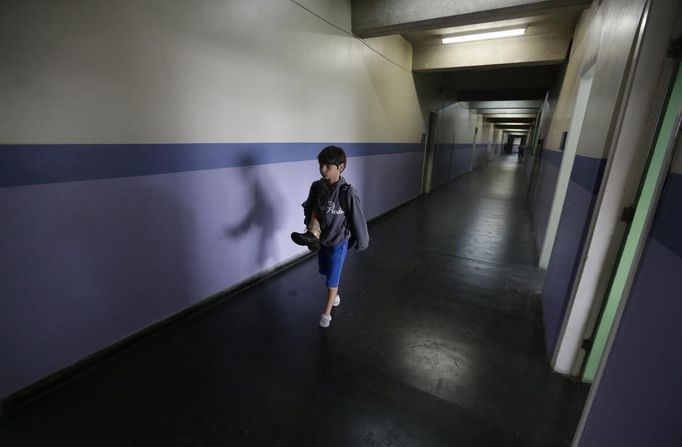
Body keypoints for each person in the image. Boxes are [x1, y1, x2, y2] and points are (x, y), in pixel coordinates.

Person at [290, 145, 369, 328]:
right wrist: (309, 226)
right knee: (325, 272)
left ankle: (326, 315)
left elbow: (358, 217)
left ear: (340, 167)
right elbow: (310, 206)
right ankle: (311, 237)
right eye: (320, 165)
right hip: (322, 241)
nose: (323, 169)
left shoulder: (347, 192)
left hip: (338, 242)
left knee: (331, 281)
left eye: (328, 166)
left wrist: (362, 241)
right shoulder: (318, 186)